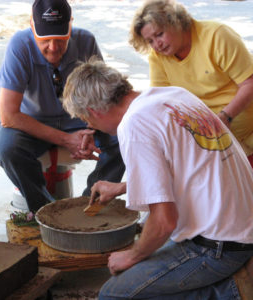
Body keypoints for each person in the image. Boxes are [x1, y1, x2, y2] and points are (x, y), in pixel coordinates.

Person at [63, 58, 253, 299]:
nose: (91, 126)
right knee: (145, 255)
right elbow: (185, 168)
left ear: (93, 111)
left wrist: (131, 256)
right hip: (242, 227)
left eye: (86, 120)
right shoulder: (172, 95)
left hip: (220, 247)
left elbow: (164, 222)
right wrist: (122, 187)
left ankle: (230, 292)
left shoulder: (133, 125)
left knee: (114, 293)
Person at [0, 0, 125, 212]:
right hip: (33, 125)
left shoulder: (86, 40)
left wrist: (92, 129)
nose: (53, 48)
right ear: (32, 26)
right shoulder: (19, 45)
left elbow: (104, 98)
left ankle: (90, 205)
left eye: (60, 39)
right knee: (7, 147)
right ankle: (46, 211)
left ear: (70, 25)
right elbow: (9, 115)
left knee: (124, 135)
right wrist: (66, 140)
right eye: (45, 39)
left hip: (81, 120)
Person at [129, 0, 253, 166]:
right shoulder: (157, 57)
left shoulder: (217, 35)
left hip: (242, 129)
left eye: (159, 34)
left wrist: (225, 118)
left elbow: (249, 84)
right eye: (150, 41)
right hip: (208, 139)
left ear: (177, 22)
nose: (157, 45)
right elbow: (160, 102)